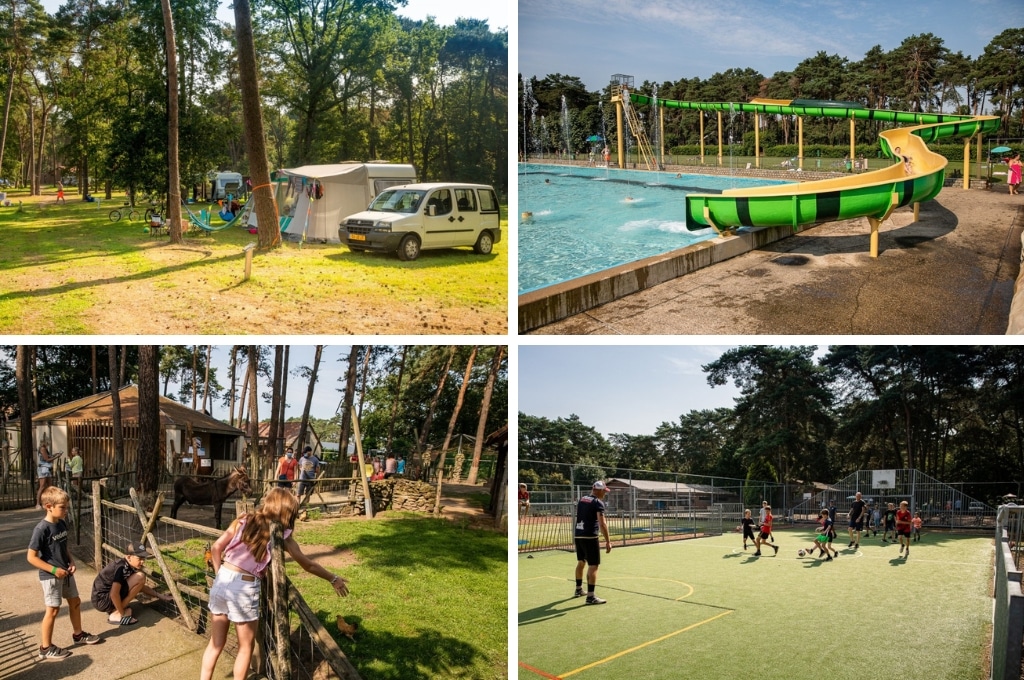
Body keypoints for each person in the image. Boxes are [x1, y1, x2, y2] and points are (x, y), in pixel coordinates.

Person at [200, 488, 349, 680]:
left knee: (215, 643)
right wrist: (333, 578)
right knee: (246, 647)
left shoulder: (244, 519)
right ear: (287, 512)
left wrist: (219, 573)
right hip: (243, 587)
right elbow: (308, 564)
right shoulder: (280, 533)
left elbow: (216, 547)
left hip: (222, 578)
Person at [27, 486, 100, 660]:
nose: (66, 511)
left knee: (75, 602)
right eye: (63, 507)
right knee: (52, 610)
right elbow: (31, 557)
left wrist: (72, 561)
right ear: (48, 506)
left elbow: (63, 546)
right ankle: (45, 648)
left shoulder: (61, 523)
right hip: (51, 576)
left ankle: (78, 634)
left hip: (65, 573)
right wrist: (53, 570)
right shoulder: (41, 529)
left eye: (66, 507)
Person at [91, 541, 172, 625]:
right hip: (102, 600)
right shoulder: (121, 568)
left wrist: (160, 596)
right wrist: (123, 614)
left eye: (143, 559)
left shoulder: (127, 565)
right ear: (129, 557)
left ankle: (115, 609)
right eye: (139, 559)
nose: (142, 561)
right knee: (140, 576)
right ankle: (117, 614)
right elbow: (114, 594)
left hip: (102, 599)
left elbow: (140, 586)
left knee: (130, 608)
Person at [574, 481, 611, 605]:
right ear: (599, 490)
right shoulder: (597, 502)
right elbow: (602, 523)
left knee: (581, 561)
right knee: (594, 565)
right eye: (604, 491)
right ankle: (591, 597)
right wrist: (608, 541)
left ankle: (578, 589)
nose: (605, 494)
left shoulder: (582, 499)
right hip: (590, 536)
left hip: (578, 535)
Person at [36, 443, 56, 509]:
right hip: (43, 469)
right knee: (42, 486)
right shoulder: (43, 449)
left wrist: (55, 455)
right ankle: (38, 503)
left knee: (50, 486)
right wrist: (56, 457)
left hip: (47, 469)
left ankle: (49, 501)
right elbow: (47, 459)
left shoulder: (46, 450)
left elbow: (49, 456)